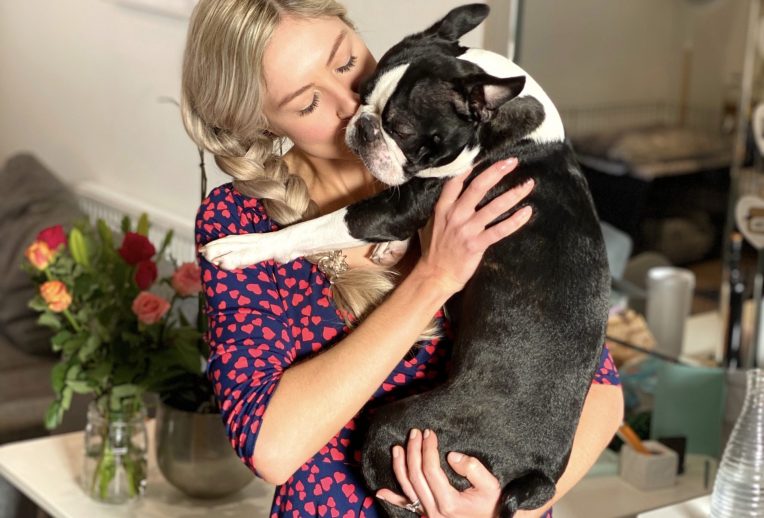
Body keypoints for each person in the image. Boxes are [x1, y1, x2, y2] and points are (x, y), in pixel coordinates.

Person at [182, 1, 623, 517]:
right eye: (307, 105)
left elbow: (599, 394)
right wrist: (433, 278)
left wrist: (501, 513)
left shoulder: (466, 162)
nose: (351, 103)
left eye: (346, 63)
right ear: (259, 122)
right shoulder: (241, 223)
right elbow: (272, 447)